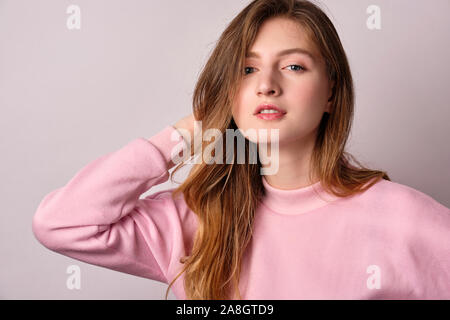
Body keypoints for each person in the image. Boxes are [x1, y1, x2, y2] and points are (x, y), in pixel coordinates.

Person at [32, 0, 450, 300]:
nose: (266, 83)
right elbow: (61, 224)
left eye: (294, 66)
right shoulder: (194, 220)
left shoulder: (403, 217)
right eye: (246, 69)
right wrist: (191, 132)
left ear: (331, 93)